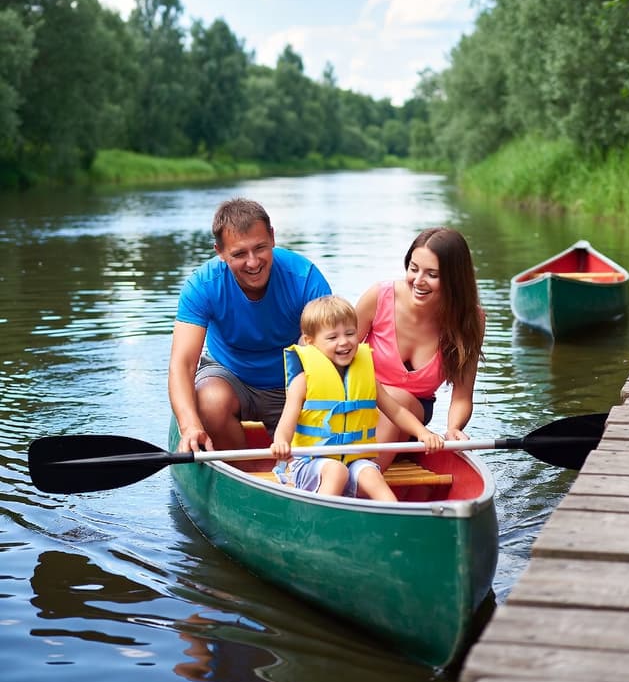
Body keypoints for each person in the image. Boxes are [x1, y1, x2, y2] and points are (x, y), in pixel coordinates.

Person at [169, 198, 331, 454]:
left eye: (260, 248)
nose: (253, 262)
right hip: (229, 377)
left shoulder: (305, 278)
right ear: (219, 252)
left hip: (292, 384)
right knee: (210, 403)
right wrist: (189, 425)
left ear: (273, 238)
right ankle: (244, 470)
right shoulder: (202, 285)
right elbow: (183, 363)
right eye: (239, 254)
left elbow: (327, 350)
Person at [270, 295, 444, 500]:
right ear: (310, 342)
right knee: (336, 471)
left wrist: (422, 433)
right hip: (310, 463)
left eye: (350, 333)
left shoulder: (367, 377)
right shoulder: (303, 382)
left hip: (353, 461)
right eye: (332, 337)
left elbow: (396, 411)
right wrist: (281, 442)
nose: (344, 342)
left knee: (371, 473)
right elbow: (286, 422)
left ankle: (394, 518)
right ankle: (319, 522)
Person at [356, 227, 485, 473]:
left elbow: (462, 395)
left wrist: (453, 428)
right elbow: (334, 351)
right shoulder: (379, 297)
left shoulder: (471, 320)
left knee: (398, 397)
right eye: (413, 269)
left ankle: (362, 479)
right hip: (359, 405)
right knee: (385, 395)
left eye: (431, 274)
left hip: (413, 416)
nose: (418, 281)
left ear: (454, 279)